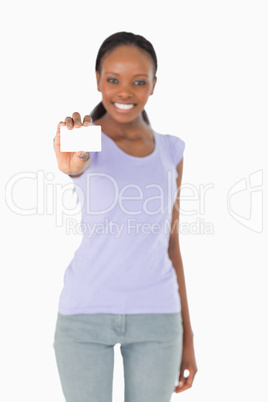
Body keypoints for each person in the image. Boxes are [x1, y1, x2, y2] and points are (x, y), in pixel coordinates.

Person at [53, 31, 197, 402]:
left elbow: (171, 241)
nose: (125, 92)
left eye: (139, 81)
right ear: (98, 79)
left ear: (153, 85)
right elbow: (74, 163)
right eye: (113, 80)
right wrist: (73, 163)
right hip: (85, 317)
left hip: (158, 319)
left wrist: (188, 337)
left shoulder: (170, 150)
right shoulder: (83, 138)